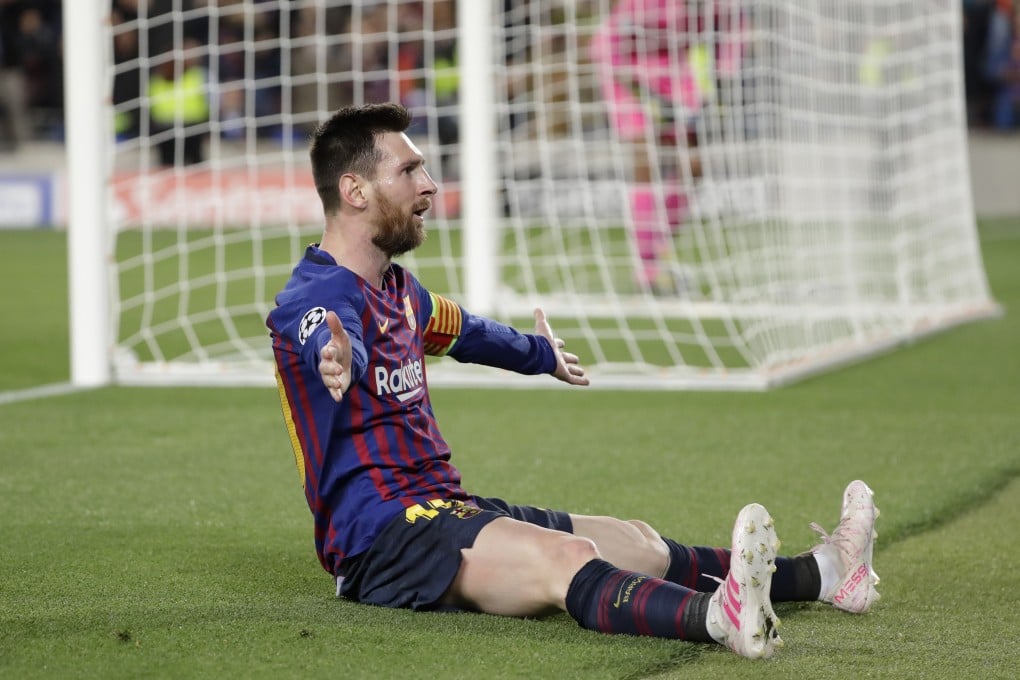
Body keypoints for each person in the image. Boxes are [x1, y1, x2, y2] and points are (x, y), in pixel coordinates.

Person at [266, 103, 880, 660]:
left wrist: (539, 353)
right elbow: (323, 324)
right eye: (409, 171)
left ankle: (827, 572)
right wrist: (332, 353)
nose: (428, 185)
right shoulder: (316, 297)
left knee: (634, 543)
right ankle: (718, 617)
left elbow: (469, 332)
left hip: (441, 506)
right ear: (354, 190)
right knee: (567, 560)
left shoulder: (401, 293)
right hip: (382, 540)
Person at [589, 0, 746, 295]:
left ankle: (658, 244)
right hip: (627, 72)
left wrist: (724, 78)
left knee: (694, 165)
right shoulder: (644, 5)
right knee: (645, 155)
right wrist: (645, 95)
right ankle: (647, 268)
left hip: (675, 73)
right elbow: (603, 48)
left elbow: (734, 29)